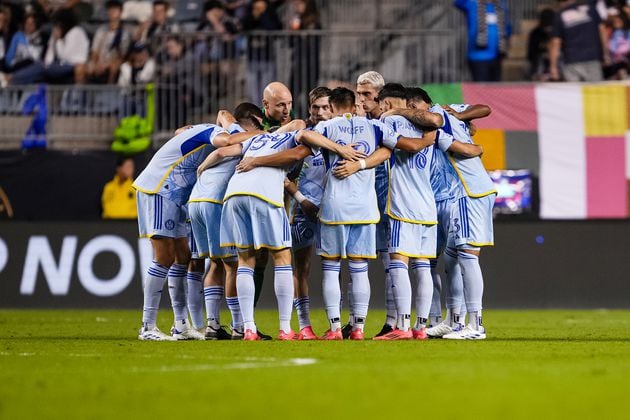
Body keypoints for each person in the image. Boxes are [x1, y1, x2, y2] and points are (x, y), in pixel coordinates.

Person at [201, 115, 362, 341]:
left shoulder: (256, 140)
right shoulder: (291, 137)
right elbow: (298, 150)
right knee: (282, 257)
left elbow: (220, 152)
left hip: (234, 195)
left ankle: (248, 329)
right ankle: (285, 328)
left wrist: (202, 168)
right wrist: (339, 148)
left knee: (245, 260)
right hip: (264, 195)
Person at [390, 99, 495, 340]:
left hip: (470, 191)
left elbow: (482, 114)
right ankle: (454, 320)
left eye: (415, 107)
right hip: (456, 195)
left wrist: (463, 120)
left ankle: (476, 324)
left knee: (467, 255)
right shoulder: (435, 125)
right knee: (451, 258)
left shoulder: (439, 117)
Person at [133, 123, 241, 341]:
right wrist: (258, 133)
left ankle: (181, 325)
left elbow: (179, 132)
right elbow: (226, 139)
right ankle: (147, 326)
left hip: (176, 197)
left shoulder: (201, 132)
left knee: (183, 255)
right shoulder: (214, 132)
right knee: (164, 257)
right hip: (161, 189)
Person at [187, 103, 265, 340]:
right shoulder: (246, 138)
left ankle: (212, 325)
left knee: (214, 262)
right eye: (259, 123)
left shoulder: (227, 132)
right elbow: (222, 152)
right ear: (252, 121)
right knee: (232, 263)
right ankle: (238, 326)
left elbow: (221, 112)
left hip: (196, 200)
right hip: (216, 201)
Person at [282, 86, 331, 340]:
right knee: (301, 268)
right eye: (316, 107)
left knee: (335, 268)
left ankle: (337, 325)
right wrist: (302, 201)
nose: (321, 112)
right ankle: (304, 326)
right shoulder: (302, 136)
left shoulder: (337, 136)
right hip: (304, 211)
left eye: (325, 107)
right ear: (310, 107)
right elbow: (285, 177)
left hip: (333, 210)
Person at [355, 70, 395, 338]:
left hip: (392, 202)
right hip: (366, 202)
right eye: (359, 93)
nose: (362, 99)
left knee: (394, 262)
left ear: (380, 97)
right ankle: (355, 322)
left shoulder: (390, 124)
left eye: (367, 94)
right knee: (359, 262)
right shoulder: (359, 125)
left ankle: (394, 321)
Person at [10, 7, 89, 84]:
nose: (56, 27)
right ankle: (12, 80)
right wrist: (47, 63)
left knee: (40, 67)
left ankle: (11, 79)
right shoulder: (57, 32)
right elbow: (49, 55)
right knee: (40, 66)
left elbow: (66, 56)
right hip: (60, 64)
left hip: (73, 65)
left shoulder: (76, 32)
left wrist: (58, 41)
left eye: (58, 24)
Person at [550, 0, 610, 82]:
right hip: (592, 59)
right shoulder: (590, 9)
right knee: (595, 93)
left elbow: (555, 42)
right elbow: (602, 30)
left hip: (571, 62)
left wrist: (553, 66)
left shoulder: (560, 15)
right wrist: (606, 53)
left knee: (574, 93)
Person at [455, 0, 511, 82]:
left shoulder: (501, 6)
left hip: (496, 56)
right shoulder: (472, 4)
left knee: (495, 90)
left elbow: (507, 27)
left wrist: (506, 41)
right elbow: (458, 2)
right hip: (478, 57)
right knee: (481, 90)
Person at [243, 0, 283, 105]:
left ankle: (266, 115)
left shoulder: (270, 10)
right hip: (252, 58)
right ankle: (255, 114)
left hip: (268, 57)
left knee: (267, 90)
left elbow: (274, 27)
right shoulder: (249, 9)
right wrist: (254, 15)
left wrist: (264, 13)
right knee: (253, 91)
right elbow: (244, 25)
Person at [86, 0, 131, 84]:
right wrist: (95, 63)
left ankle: (109, 89)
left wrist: (106, 64)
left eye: (115, 9)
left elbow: (121, 55)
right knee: (87, 66)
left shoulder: (124, 33)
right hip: (100, 60)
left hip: (113, 62)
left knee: (115, 65)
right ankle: (83, 94)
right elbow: (95, 51)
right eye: (110, 9)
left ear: (120, 13)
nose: (111, 12)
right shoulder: (101, 30)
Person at [527, 8, 555, 81]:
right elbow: (531, 54)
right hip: (539, 66)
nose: (548, 29)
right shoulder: (536, 33)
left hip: (554, 66)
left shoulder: (557, 33)